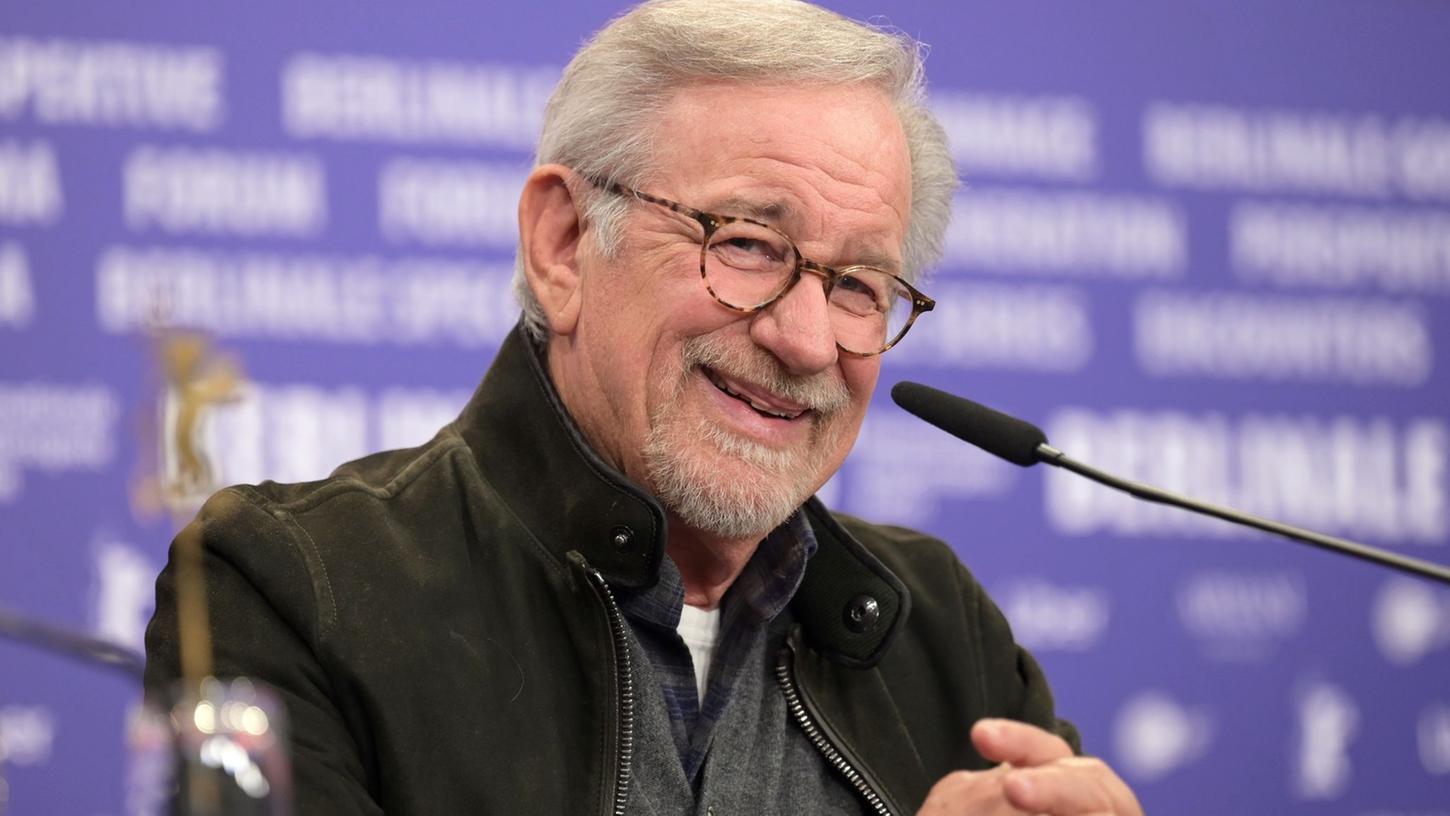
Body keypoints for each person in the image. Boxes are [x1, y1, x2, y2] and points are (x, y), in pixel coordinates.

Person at [145, 1, 1142, 813]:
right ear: (565, 244)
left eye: (857, 286)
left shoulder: (941, 632)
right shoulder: (291, 591)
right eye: (747, 243)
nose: (804, 340)